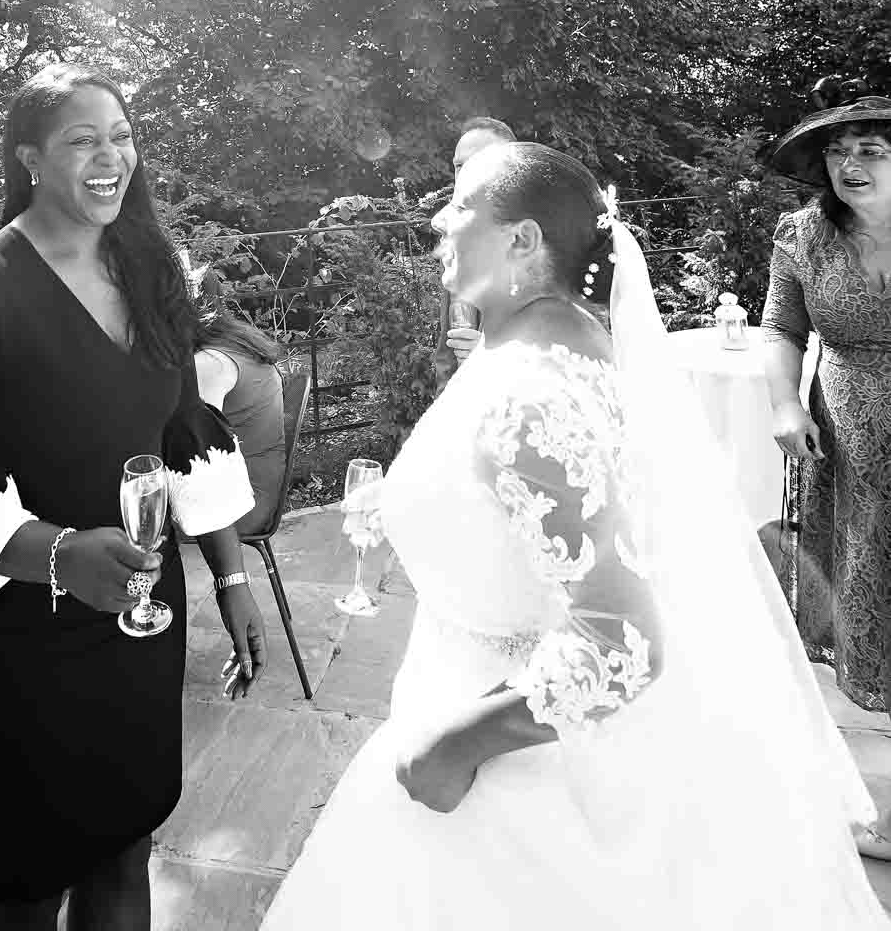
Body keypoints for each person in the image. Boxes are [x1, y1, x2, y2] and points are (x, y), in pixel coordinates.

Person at [259, 141, 884, 930]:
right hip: (482, 687)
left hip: (518, 771)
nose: (437, 219)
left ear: (522, 240)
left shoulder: (534, 393)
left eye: (459, 206)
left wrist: (450, 747)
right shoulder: (550, 340)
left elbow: (619, 640)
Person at [0, 62, 268, 931]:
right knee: (26, 886)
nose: (112, 158)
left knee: (125, 851)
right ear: (28, 157)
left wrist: (232, 577)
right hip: (18, 649)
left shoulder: (147, 267)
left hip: (137, 626)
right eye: (83, 140)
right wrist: (62, 554)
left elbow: (184, 430)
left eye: (123, 136)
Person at [763, 81, 891, 860]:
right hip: (848, 441)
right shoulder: (803, 234)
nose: (848, 163)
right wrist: (783, 402)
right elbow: (781, 325)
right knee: (870, 589)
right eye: (837, 153)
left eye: (870, 150)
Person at [429, 116, 516, 390]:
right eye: (459, 166)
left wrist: (495, 357)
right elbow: (449, 346)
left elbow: (574, 350)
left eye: (480, 162)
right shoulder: (459, 240)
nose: (465, 175)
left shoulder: (545, 245)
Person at [193, 296, 285, 535]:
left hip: (238, 510)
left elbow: (197, 449)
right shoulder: (238, 341)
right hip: (261, 492)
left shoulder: (209, 363)